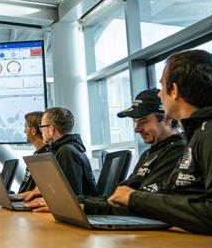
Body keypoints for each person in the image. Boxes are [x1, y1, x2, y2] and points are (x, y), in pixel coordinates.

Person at [108, 50, 212, 241]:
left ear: (174, 90)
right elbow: (175, 198)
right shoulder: (201, 133)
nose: (159, 93)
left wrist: (135, 199)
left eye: (161, 86)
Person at [28, 90, 187, 213]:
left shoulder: (178, 152)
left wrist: (81, 205)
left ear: (167, 119)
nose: (137, 129)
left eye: (143, 122)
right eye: (135, 122)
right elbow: (117, 197)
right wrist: (72, 202)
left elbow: (141, 205)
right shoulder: (148, 154)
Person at [21, 106, 98, 200]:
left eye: (42, 127)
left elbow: (70, 197)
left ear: (51, 129)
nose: (41, 131)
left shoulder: (66, 151)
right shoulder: (67, 148)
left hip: (80, 212)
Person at [16, 111, 47, 193]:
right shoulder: (36, 155)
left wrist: (12, 197)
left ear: (33, 131)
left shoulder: (45, 157)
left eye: (25, 127)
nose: (24, 131)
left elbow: (36, 192)